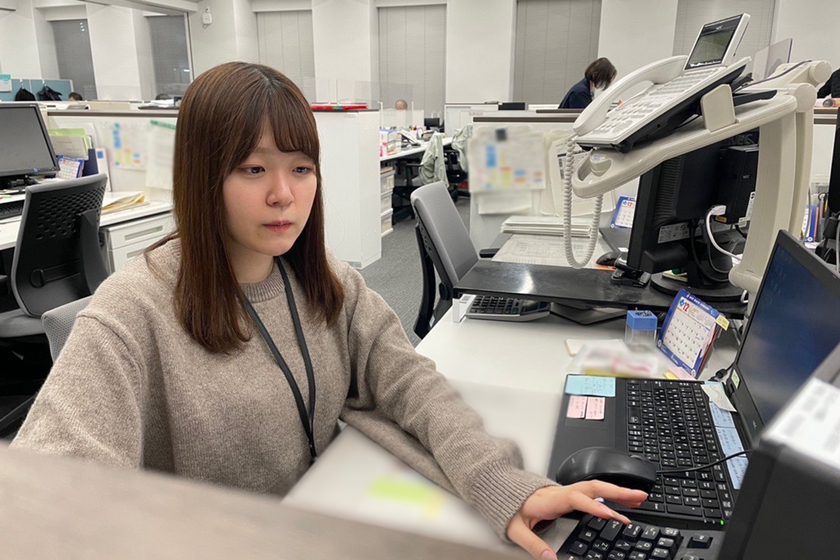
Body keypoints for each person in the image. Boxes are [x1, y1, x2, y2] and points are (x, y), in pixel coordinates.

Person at [11, 62, 646, 560]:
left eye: (301, 168)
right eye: (252, 169)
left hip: (321, 519)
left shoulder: (322, 280)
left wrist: (500, 481)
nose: (283, 194)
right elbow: (50, 494)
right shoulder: (132, 313)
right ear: (203, 177)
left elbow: (408, 381)